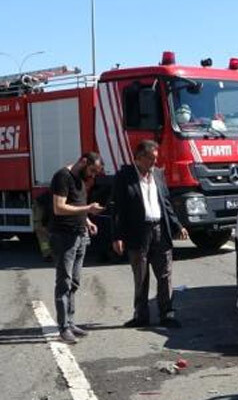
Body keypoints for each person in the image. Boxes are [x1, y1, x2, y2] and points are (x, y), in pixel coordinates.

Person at [112, 140, 188, 328]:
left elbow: (166, 203)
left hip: (160, 230)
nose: (154, 162)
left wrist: (178, 225)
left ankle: (167, 313)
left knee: (165, 274)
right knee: (141, 275)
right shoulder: (124, 177)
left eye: (156, 158)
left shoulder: (159, 175)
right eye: (151, 159)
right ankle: (141, 315)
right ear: (138, 158)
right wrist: (117, 236)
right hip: (138, 233)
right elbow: (118, 209)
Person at [49, 152, 105, 344]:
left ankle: (70, 323)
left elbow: (77, 204)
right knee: (64, 282)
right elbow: (59, 207)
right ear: (83, 162)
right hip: (64, 236)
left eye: (96, 172)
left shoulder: (81, 179)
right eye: (92, 170)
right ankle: (63, 328)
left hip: (80, 234)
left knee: (74, 282)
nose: (93, 175)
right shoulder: (62, 177)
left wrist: (87, 221)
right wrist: (88, 209)